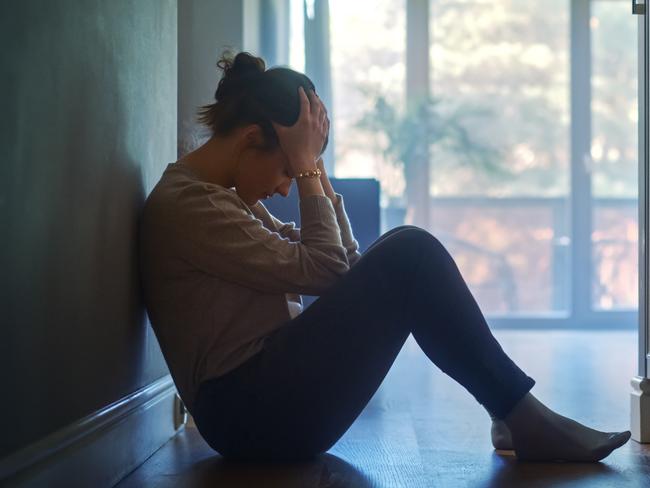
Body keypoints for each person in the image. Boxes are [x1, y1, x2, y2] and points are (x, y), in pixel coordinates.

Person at [139, 51, 631, 464]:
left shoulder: (219, 200)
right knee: (411, 250)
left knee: (407, 250)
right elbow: (328, 268)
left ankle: (514, 415)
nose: (285, 187)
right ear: (250, 140)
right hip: (250, 417)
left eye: (296, 173)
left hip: (264, 402)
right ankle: (520, 416)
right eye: (289, 170)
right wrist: (309, 168)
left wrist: (316, 172)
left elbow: (343, 270)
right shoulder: (192, 205)